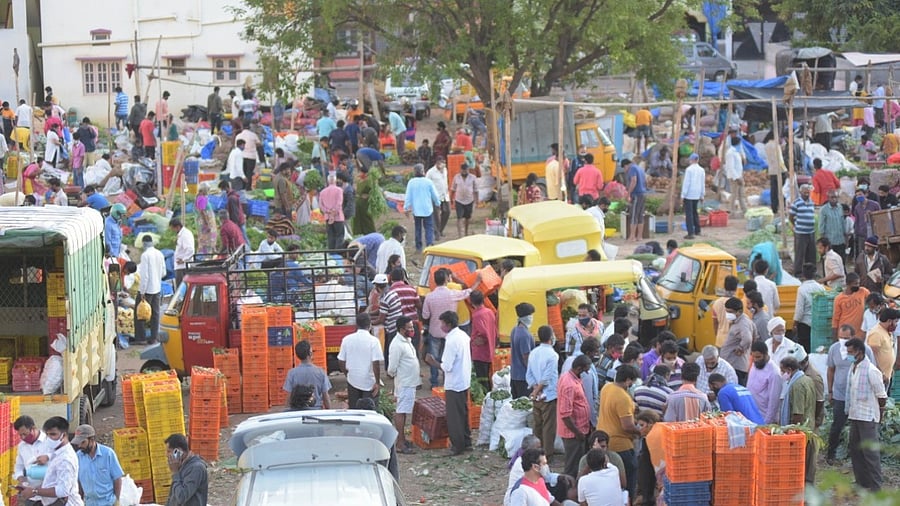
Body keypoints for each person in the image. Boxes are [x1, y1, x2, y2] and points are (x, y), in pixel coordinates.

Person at [425, 311, 472, 455]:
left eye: (442, 323)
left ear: (449, 324)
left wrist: (433, 362)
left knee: (454, 417)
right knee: (462, 413)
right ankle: (466, 441)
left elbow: (446, 367)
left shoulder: (452, 341)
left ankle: (458, 446)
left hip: (455, 382)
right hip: (464, 379)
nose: (441, 326)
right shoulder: (463, 335)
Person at [826, 325, 875, 464]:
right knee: (837, 425)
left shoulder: (865, 350)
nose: (843, 341)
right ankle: (831, 454)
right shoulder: (834, 349)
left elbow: (873, 370)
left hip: (860, 397)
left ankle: (860, 458)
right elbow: (831, 370)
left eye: (846, 338)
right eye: (841, 338)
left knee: (859, 429)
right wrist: (830, 391)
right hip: (840, 394)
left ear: (853, 337)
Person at [844, 337, 888, 492]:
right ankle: (862, 482)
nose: (848, 355)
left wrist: (879, 417)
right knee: (855, 450)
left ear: (859, 352)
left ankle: (876, 486)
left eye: (851, 352)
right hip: (855, 415)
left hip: (868, 417)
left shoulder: (871, 370)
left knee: (870, 453)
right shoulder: (853, 367)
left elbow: (882, 396)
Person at [597, 365, 642, 499]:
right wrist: (641, 432)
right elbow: (627, 426)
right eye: (632, 382)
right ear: (628, 380)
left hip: (603, 440)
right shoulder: (623, 397)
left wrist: (632, 406)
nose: (632, 385)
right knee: (629, 476)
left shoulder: (607, 387)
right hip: (621, 445)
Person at [422, 269, 473, 387]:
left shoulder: (429, 297)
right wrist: (477, 282)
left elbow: (425, 315)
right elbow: (468, 292)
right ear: (447, 279)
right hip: (448, 333)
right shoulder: (453, 293)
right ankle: (446, 381)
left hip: (434, 332)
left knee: (433, 358)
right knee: (448, 359)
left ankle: (434, 382)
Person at [19, 416, 83, 506]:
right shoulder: (56, 452)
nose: (49, 438)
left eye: (53, 434)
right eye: (47, 434)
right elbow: (52, 481)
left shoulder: (66, 459)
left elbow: (63, 490)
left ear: (63, 435)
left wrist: (35, 491)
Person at [779, 356, 818, 483]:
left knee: (801, 462)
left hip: (802, 430)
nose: (782, 374)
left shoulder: (797, 385)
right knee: (809, 462)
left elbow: (797, 413)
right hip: (810, 425)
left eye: (783, 371)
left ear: (789, 369)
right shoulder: (807, 379)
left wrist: (792, 433)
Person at [388, 316, 421, 454]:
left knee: (404, 410)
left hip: (409, 382)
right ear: (402, 329)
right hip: (404, 383)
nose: (412, 330)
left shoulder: (407, 341)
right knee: (401, 411)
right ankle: (400, 442)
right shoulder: (397, 344)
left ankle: (402, 439)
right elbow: (391, 368)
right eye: (409, 328)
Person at [526, 326, 560, 458]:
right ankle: (547, 454)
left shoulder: (534, 352)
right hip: (549, 395)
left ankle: (535, 451)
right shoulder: (553, 355)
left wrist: (535, 390)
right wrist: (538, 391)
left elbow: (529, 375)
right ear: (551, 337)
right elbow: (546, 377)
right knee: (548, 426)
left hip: (537, 396)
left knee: (538, 425)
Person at [337, 312, 382, 409]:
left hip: (352, 380)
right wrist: (377, 382)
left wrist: (346, 373)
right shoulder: (374, 341)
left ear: (356, 325)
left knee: (354, 409)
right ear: (370, 325)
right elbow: (376, 364)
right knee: (370, 411)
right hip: (369, 382)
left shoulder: (347, 339)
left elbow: (341, 361)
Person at [557, 354, 592, 477]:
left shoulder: (570, 377)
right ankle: (567, 491)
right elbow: (565, 414)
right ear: (578, 368)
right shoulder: (569, 384)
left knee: (577, 463)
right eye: (585, 370)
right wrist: (578, 433)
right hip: (573, 433)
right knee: (572, 466)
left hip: (579, 429)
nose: (586, 373)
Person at [72, 424, 124, 506]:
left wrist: (117, 500)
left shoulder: (108, 454)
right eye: (78, 443)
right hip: (89, 503)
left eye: (83, 442)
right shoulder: (78, 457)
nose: (80, 446)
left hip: (108, 502)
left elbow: (117, 478)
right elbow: (79, 482)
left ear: (92, 439)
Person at [282, 339, 332, 409]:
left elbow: (289, 396)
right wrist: (329, 411)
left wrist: (286, 412)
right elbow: (325, 397)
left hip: (297, 412)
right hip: (316, 411)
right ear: (310, 353)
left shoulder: (292, 373)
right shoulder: (321, 372)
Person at [14, 415, 54, 495]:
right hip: (31, 496)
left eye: (25, 434)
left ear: (33, 428)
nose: (23, 437)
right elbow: (19, 467)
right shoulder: (22, 446)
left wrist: (48, 457)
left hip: (50, 494)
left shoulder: (50, 440)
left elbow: (64, 457)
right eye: (20, 435)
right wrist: (22, 480)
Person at [404, 164, 441, 251]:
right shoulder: (428, 182)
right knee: (429, 227)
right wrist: (438, 203)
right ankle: (429, 244)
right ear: (423, 172)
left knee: (418, 228)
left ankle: (419, 246)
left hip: (416, 210)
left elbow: (408, 196)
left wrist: (406, 208)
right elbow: (434, 195)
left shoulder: (411, 182)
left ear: (415, 172)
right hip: (427, 209)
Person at [164, 433, 208, 506]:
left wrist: (175, 473)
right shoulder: (181, 465)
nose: (166, 455)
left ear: (178, 451)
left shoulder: (196, 468)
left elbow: (181, 497)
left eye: (169, 451)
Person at [135, 235, 165, 343]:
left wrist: (142, 292)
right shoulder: (159, 253)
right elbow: (163, 272)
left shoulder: (145, 255)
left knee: (140, 313)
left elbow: (145, 276)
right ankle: (154, 338)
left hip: (147, 289)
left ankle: (140, 338)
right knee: (155, 314)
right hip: (157, 288)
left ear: (144, 243)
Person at [721, 297, 755, 385]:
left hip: (736, 365)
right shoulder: (737, 320)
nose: (727, 314)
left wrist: (740, 348)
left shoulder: (743, 322)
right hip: (731, 363)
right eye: (727, 311)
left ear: (739, 312)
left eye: (730, 312)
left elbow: (748, 338)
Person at [470, 290, 497, 391]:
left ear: (471, 302)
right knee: (487, 376)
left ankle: (485, 399)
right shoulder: (489, 312)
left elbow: (483, 332)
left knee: (482, 379)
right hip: (490, 348)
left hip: (480, 352)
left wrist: (478, 340)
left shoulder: (477, 315)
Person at [866, 307, 899, 389]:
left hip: (887, 375)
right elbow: (872, 358)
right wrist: (882, 374)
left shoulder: (887, 332)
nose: (896, 325)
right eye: (895, 322)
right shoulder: (876, 333)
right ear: (889, 321)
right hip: (879, 378)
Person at [794, 263, 825, 351]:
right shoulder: (821, 288)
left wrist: (795, 324)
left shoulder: (801, 289)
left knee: (805, 349)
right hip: (818, 323)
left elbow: (799, 311)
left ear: (803, 275)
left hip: (805, 325)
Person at [511, 302, 537, 399]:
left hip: (515, 374)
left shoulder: (515, 329)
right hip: (523, 376)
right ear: (526, 316)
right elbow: (526, 357)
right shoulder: (524, 335)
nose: (531, 317)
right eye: (530, 315)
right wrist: (533, 372)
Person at [790, 184, 817, 275]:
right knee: (800, 253)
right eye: (805, 192)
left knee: (811, 253)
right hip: (801, 232)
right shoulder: (796, 203)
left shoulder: (811, 202)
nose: (806, 194)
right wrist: (795, 225)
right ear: (800, 192)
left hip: (811, 231)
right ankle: (798, 272)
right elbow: (791, 216)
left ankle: (811, 271)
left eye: (808, 192)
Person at [831, 273, 868, 338]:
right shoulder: (839, 299)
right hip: (845, 334)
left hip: (859, 333)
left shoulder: (862, 291)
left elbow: (872, 298)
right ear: (848, 284)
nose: (858, 286)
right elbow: (835, 319)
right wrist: (835, 337)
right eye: (855, 284)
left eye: (858, 283)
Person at [819, 190, 847, 265]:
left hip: (840, 240)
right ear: (828, 198)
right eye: (832, 197)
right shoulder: (824, 209)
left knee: (841, 261)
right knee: (829, 262)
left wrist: (845, 237)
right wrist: (823, 242)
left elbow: (842, 222)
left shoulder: (840, 207)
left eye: (836, 197)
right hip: (830, 241)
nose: (834, 199)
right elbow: (821, 226)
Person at [425, 158, 451, 240]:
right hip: (435, 196)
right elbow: (427, 184)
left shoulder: (445, 170)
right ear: (437, 163)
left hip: (445, 195)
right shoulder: (431, 172)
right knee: (436, 216)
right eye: (441, 163)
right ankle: (436, 233)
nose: (443, 165)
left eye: (444, 163)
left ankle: (440, 230)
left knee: (447, 212)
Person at [681, 153, 705, 239]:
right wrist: (702, 195)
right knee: (695, 212)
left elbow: (686, 183)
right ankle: (698, 230)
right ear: (697, 160)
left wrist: (683, 195)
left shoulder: (689, 170)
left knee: (689, 214)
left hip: (689, 194)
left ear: (692, 160)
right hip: (697, 194)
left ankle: (690, 233)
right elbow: (703, 183)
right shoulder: (701, 170)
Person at [451, 162, 478, 237]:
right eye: (463, 170)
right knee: (459, 217)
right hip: (459, 200)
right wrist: (451, 199)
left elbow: (476, 190)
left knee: (467, 218)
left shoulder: (473, 177)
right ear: (460, 170)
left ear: (468, 170)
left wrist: (477, 201)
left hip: (469, 200)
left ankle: (466, 232)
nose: (464, 172)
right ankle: (460, 235)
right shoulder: (456, 177)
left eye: (466, 170)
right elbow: (453, 189)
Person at [852, 190, 881, 259]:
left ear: (866, 194)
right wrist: (856, 232)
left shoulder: (874, 204)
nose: (858, 196)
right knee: (863, 253)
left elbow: (880, 217)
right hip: (862, 234)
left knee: (875, 252)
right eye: (857, 195)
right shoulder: (857, 207)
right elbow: (857, 221)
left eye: (860, 194)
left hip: (874, 233)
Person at [319, 174, 345, 249]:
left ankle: (331, 254)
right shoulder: (339, 190)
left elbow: (321, 206)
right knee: (339, 236)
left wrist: (328, 212)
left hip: (327, 217)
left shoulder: (322, 192)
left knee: (330, 236)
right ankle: (338, 254)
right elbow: (339, 203)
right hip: (338, 217)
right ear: (335, 180)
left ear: (328, 181)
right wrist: (333, 212)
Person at [711, 275, 738, 346]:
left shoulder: (716, 303)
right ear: (736, 288)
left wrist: (717, 334)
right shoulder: (738, 303)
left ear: (724, 286)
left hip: (720, 340)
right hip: (733, 341)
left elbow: (715, 323)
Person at [723, 135, 748, 216]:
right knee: (734, 195)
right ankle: (732, 211)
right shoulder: (730, 153)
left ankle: (744, 210)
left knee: (741, 194)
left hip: (739, 175)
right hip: (734, 177)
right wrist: (737, 178)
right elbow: (731, 167)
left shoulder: (736, 152)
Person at [625, 158, 649, 242]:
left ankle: (632, 236)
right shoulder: (640, 168)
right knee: (640, 215)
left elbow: (634, 180)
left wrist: (628, 193)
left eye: (625, 168)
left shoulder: (632, 169)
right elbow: (646, 181)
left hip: (636, 195)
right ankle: (639, 236)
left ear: (626, 165)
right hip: (643, 194)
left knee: (634, 215)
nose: (625, 170)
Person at [170, 218, 195, 287]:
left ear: (177, 227)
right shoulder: (182, 234)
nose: (173, 231)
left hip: (183, 267)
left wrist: (184, 260)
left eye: (173, 229)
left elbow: (190, 249)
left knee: (182, 288)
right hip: (180, 266)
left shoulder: (185, 235)